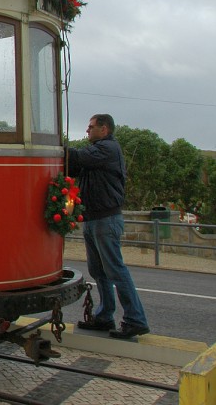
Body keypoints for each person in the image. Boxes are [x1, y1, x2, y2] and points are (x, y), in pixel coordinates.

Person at [67, 114, 150, 339]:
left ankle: (135, 319)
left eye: (91, 127)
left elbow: (77, 157)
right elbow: (75, 165)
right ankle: (104, 316)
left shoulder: (107, 149)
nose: (87, 130)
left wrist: (55, 144)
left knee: (115, 270)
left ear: (104, 129)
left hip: (105, 220)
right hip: (93, 219)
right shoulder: (97, 153)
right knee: (99, 271)